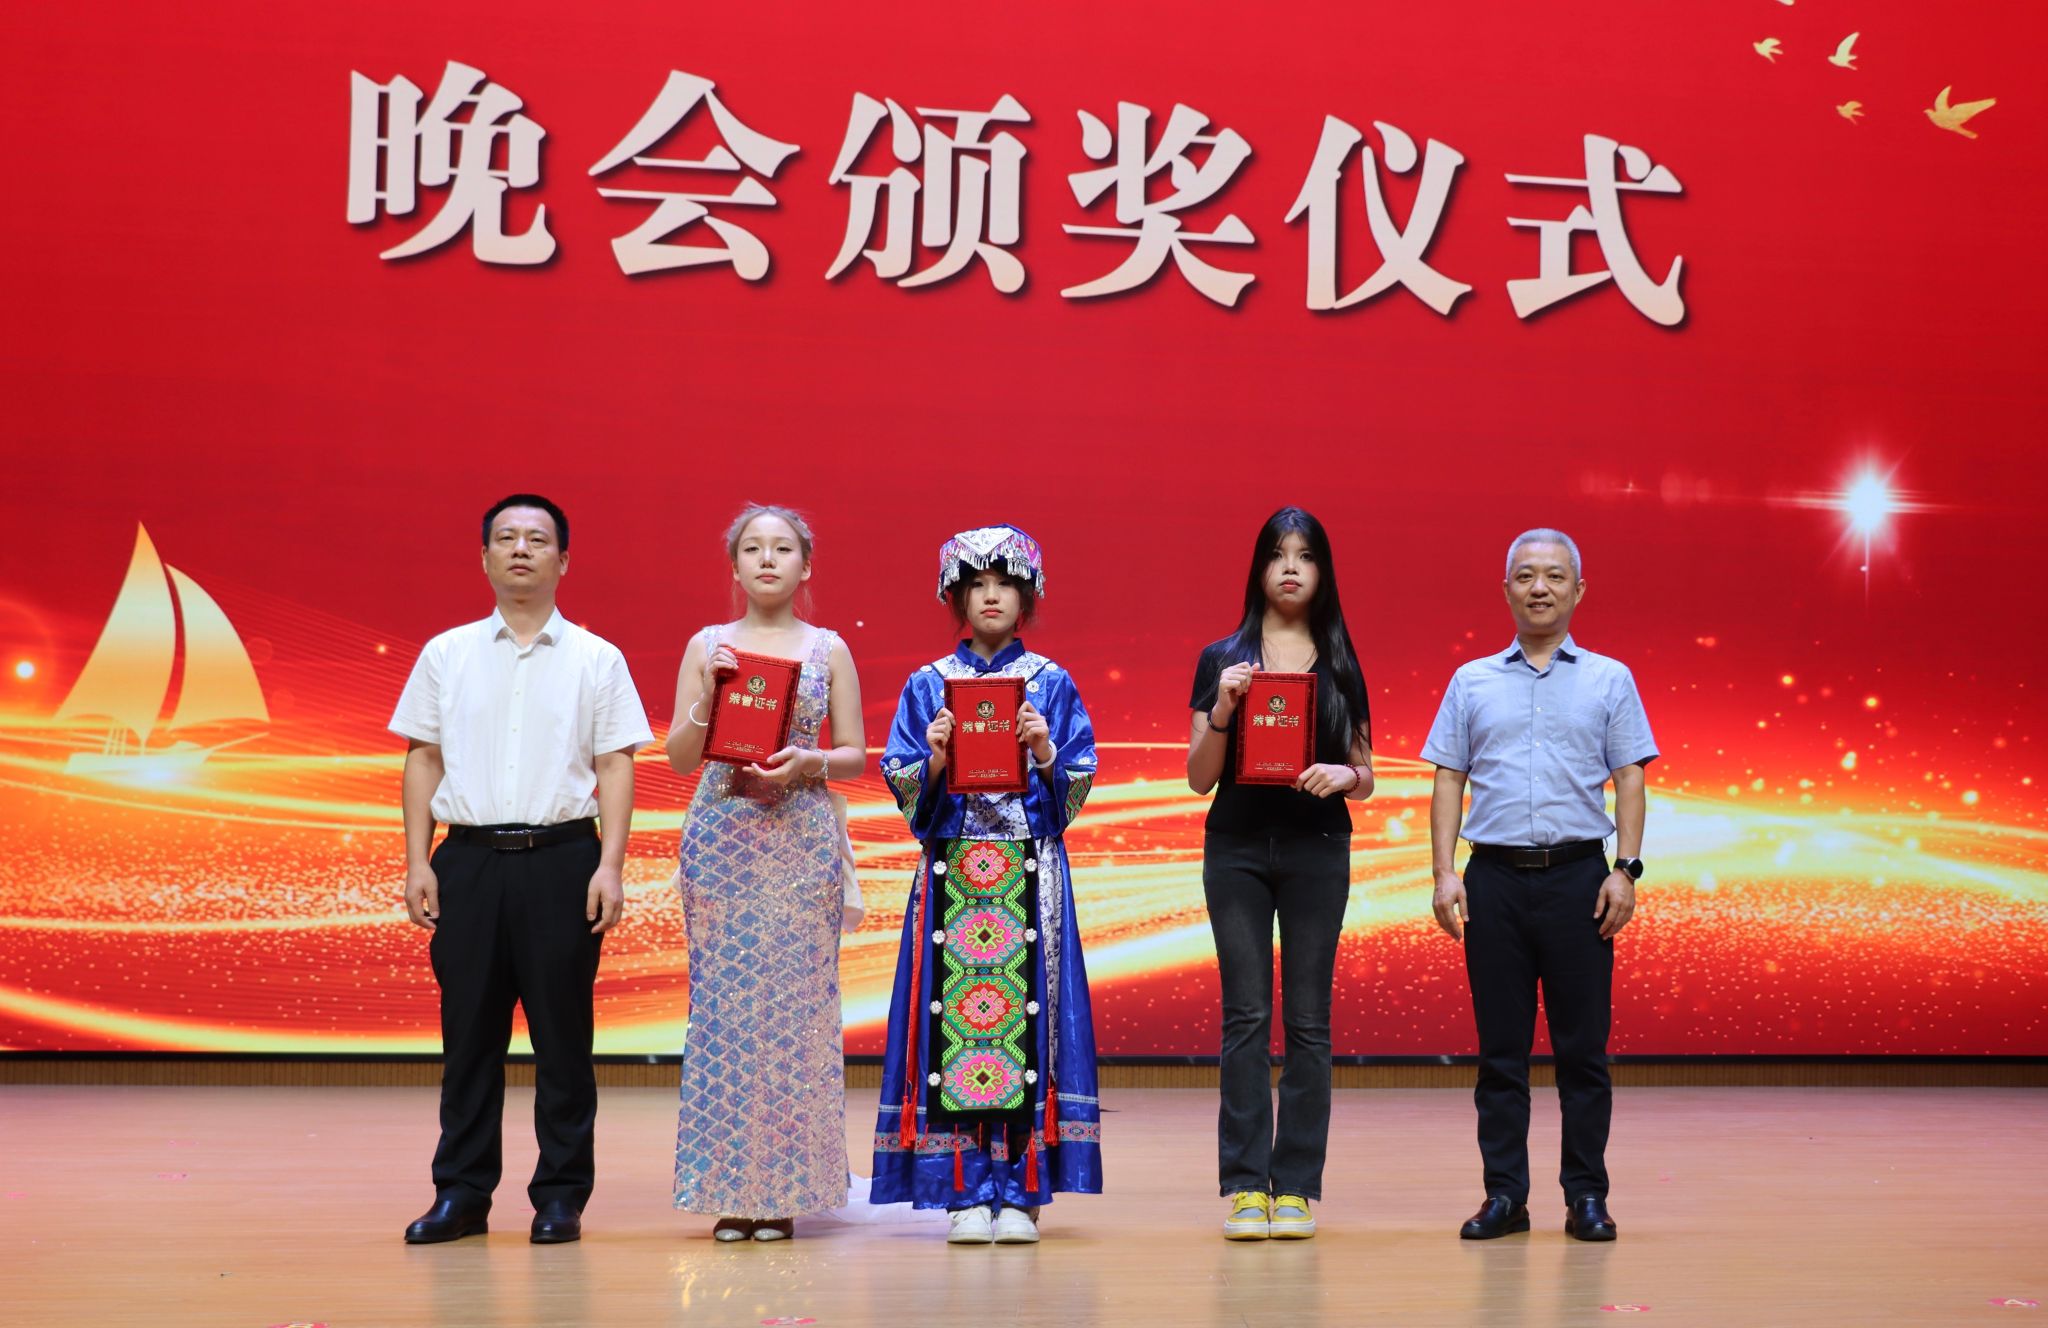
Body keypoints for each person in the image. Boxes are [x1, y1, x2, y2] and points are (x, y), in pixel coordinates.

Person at [392, 493, 652, 1246]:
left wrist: (610, 866)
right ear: (483, 558)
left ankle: (561, 1196)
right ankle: (461, 1194)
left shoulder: (597, 658)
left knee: (563, 1041)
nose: (520, 549)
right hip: (468, 861)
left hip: (562, 861)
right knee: (468, 1037)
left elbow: (616, 764)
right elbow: (423, 758)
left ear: (563, 560)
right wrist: (417, 861)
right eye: (505, 538)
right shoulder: (446, 653)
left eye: (537, 539)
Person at [1422, 528, 1657, 1243]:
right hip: (1493, 879)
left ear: (1578, 590)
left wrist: (1626, 870)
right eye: (1525, 575)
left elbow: (1630, 777)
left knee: (1583, 1053)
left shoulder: (1610, 679)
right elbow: (1448, 777)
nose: (1540, 587)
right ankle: (1505, 1197)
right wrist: (1444, 872)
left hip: (1581, 880)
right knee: (1501, 1054)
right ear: (1506, 591)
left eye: (1555, 575)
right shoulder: (1471, 680)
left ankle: (1586, 1196)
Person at [871, 525, 1102, 1246]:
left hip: (1029, 871)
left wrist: (1045, 750)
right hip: (953, 873)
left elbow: (1076, 785)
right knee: (954, 1029)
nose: (992, 595)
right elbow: (903, 782)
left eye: (1005, 583)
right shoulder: (927, 683)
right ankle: (964, 1192)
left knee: (1028, 1025)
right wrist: (935, 758)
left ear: (1026, 597)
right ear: (957, 598)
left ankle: (1023, 1193)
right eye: (977, 584)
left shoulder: (1052, 682)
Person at [666, 504, 867, 1242]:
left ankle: (783, 1189)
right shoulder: (707, 645)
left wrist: (810, 762)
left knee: (795, 1014)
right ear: (735, 566)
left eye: (782, 548)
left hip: (801, 839)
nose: (767, 559)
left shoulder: (828, 648)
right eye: (752, 548)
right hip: (722, 840)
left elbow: (855, 753)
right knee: (723, 1013)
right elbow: (679, 757)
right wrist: (707, 695)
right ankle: (729, 1189)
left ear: (805, 566)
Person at [1187, 506, 1374, 1241]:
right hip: (1235, 849)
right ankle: (1244, 1186)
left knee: (1308, 1022)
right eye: (1277, 554)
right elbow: (1199, 776)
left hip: (1317, 851)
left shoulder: (1341, 660)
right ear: (1259, 569)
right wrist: (1225, 707)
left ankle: (1294, 1186)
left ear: (1323, 572)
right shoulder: (1221, 658)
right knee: (1245, 1017)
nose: (1290, 568)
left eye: (1305, 555)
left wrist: (1344, 775)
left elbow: (1366, 774)